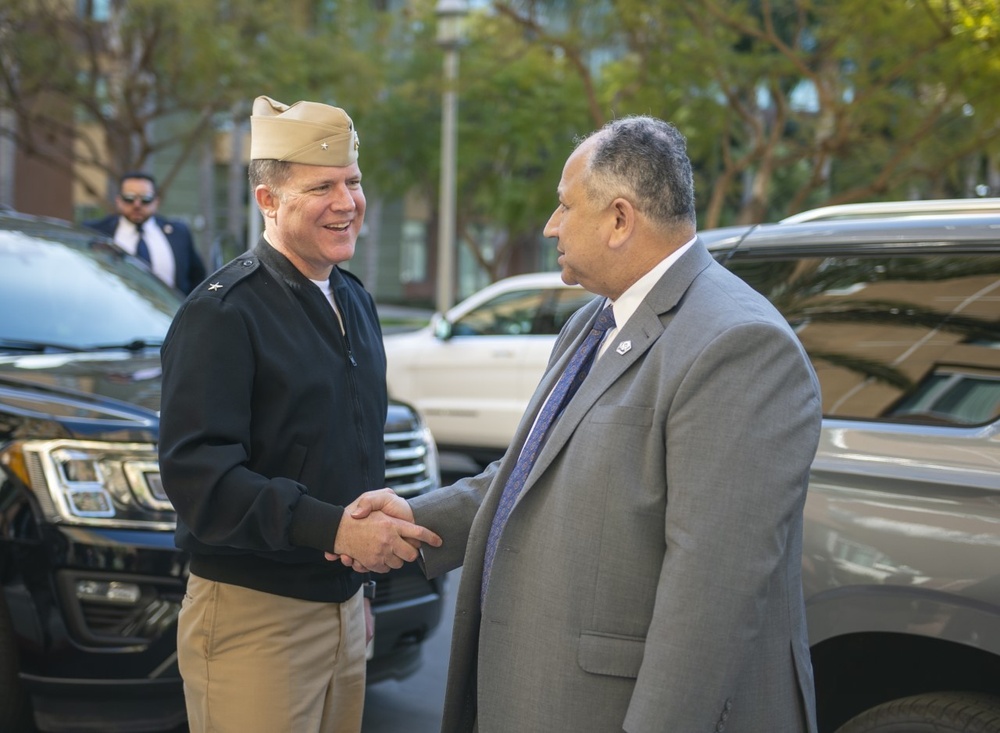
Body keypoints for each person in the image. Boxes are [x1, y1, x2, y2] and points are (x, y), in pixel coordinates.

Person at [344, 116, 823, 732]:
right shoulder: (591, 322)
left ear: (620, 220)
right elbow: (529, 474)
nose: (550, 226)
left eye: (564, 206)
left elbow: (711, 600)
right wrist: (417, 521)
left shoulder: (740, 345)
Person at [157, 95, 441, 733]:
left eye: (354, 182)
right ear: (267, 200)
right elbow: (200, 482)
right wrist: (337, 533)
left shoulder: (354, 299)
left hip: (342, 612)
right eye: (322, 186)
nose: (347, 202)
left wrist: (352, 595)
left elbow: (351, 457)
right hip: (254, 619)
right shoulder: (223, 313)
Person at [85, 171, 206, 294]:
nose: (137, 205)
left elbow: (197, 279)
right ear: (118, 201)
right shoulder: (95, 232)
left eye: (145, 199)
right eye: (129, 198)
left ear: (156, 201)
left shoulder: (179, 233)